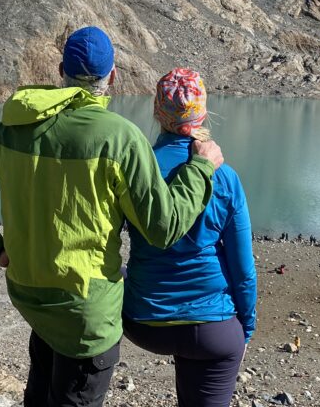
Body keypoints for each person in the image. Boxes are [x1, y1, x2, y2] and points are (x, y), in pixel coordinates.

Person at [0, 27, 223, 407]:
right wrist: (200, 169)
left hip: (31, 298)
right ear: (114, 76)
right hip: (87, 315)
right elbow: (162, 227)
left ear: (61, 71)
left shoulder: (13, 128)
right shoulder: (120, 138)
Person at [121, 68, 256, 407]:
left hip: (143, 322)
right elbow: (243, 269)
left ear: (156, 111)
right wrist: (245, 329)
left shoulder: (135, 168)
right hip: (212, 328)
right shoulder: (224, 176)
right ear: (203, 113)